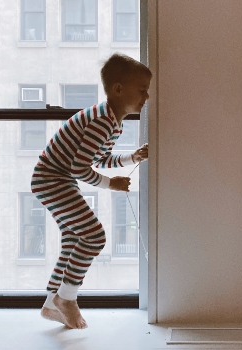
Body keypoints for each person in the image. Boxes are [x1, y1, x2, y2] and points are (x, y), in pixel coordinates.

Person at [31, 53, 151, 329]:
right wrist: (112, 184)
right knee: (94, 236)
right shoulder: (101, 120)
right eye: (142, 91)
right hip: (53, 179)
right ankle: (67, 299)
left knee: (75, 237)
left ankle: (52, 302)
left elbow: (99, 159)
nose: (146, 98)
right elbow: (79, 168)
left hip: (55, 179)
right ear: (118, 89)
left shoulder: (112, 121)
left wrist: (132, 158)